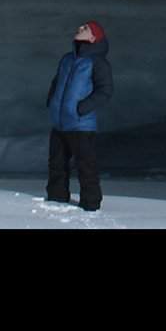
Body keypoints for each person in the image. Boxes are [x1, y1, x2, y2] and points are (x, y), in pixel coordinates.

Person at [43, 19, 112, 211]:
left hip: (81, 125)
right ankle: (57, 197)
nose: (79, 28)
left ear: (93, 37)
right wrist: (52, 101)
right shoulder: (67, 59)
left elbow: (105, 91)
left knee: (86, 166)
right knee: (56, 163)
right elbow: (56, 83)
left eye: (85, 28)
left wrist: (81, 108)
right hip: (59, 123)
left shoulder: (98, 63)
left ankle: (90, 204)